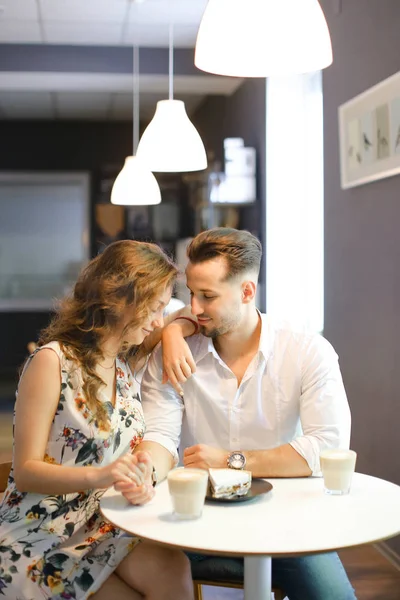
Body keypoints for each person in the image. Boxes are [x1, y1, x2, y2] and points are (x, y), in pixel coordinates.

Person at [133, 228, 356, 600]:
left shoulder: (306, 351)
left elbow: (326, 447)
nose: (195, 307)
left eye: (208, 296)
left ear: (247, 292)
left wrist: (231, 461)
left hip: (285, 523)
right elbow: (160, 435)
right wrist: (144, 470)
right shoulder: (174, 352)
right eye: (191, 293)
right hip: (194, 520)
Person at [0, 240, 195, 600]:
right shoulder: (52, 361)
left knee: (173, 568)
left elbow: (191, 318)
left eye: (163, 309)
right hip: (41, 531)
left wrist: (171, 331)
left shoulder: (124, 364)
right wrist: (103, 476)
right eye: (154, 309)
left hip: (105, 522)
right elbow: (25, 471)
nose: (158, 320)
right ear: (119, 301)